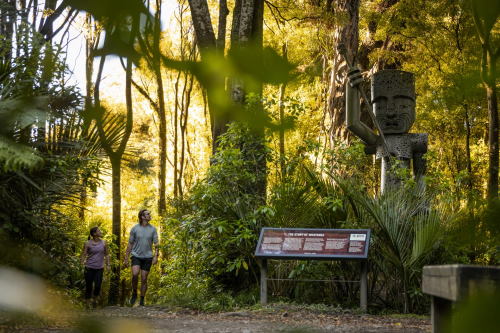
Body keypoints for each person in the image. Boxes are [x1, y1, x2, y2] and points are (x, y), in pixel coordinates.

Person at [124, 209, 159, 306]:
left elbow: (156, 244)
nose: (149, 215)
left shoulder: (153, 229)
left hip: (148, 257)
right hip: (136, 256)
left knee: (144, 278)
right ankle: (134, 292)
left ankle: (142, 299)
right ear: (142, 217)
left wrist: (156, 256)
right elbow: (130, 244)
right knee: (135, 274)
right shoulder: (135, 228)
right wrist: (126, 257)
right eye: (148, 214)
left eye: (149, 213)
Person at [81, 226, 110, 308]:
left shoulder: (104, 243)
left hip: (99, 268)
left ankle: (95, 301)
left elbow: (107, 254)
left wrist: (108, 265)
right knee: (88, 286)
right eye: (99, 231)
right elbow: (84, 254)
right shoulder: (87, 243)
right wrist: (81, 264)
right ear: (94, 234)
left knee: (98, 285)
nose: (100, 232)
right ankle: (87, 304)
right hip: (89, 267)